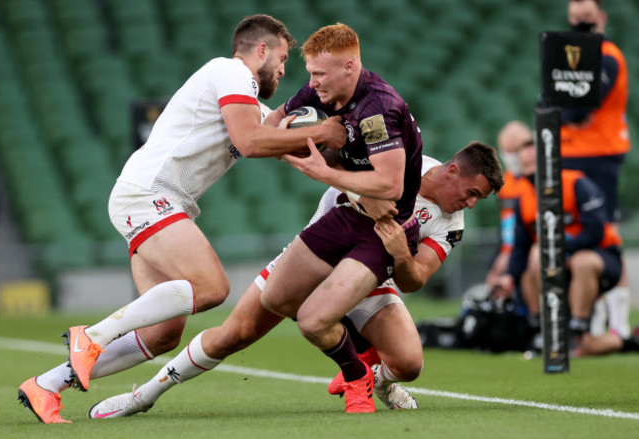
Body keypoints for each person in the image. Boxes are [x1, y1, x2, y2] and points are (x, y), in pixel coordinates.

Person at [17, 14, 348, 424]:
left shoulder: (245, 100)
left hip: (149, 198)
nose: (283, 69)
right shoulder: (230, 72)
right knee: (211, 287)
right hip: (150, 194)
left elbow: (281, 138)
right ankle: (93, 336)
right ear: (260, 50)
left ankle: (46, 385)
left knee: (162, 335)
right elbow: (251, 140)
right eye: (281, 58)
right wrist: (319, 133)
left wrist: (339, 138)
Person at [85, 142, 502, 419]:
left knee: (410, 364)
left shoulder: (451, 222)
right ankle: (142, 397)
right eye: (471, 192)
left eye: (476, 200)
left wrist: (399, 253)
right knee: (233, 335)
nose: (468, 204)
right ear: (451, 171)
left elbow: (417, 278)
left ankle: (373, 381)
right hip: (312, 262)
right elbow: (338, 168)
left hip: (371, 277)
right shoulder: (398, 165)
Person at [258, 23, 423, 413]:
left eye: (320, 74)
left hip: (385, 228)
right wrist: (313, 136)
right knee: (276, 297)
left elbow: (390, 185)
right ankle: (358, 365)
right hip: (349, 211)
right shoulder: (318, 92)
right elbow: (264, 135)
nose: (311, 83)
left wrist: (323, 171)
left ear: (349, 68)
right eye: (310, 73)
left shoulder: (379, 107)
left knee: (313, 322)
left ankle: (356, 378)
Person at [493, 137, 623, 352]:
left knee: (579, 260)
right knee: (531, 256)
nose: (532, 173)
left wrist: (560, 249)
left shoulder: (576, 183)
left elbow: (595, 232)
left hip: (599, 257)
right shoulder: (523, 197)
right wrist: (509, 276)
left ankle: (577, 330)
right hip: (552, 263)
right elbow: (521, 246)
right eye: (526, 167)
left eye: (536, 165)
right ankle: (541, 329)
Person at [560, 0, 630, 225]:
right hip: (568, 152)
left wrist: (564, 111)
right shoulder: (569, 56)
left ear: (602, 17)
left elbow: (578, 109)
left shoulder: (608, 57)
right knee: (569, 227)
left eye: (588, 16)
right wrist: (565, 113)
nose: (581, 22)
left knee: (604, 229)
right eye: (575, 16)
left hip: (600, 152)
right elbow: (545, 104)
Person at [486, 121, 533, 298]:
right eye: (508, 152)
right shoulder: (507, 183)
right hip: (511, 250)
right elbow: (506, 226)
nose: (512, 157)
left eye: (516, 151)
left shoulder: (538, 179)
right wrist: (499, 260)